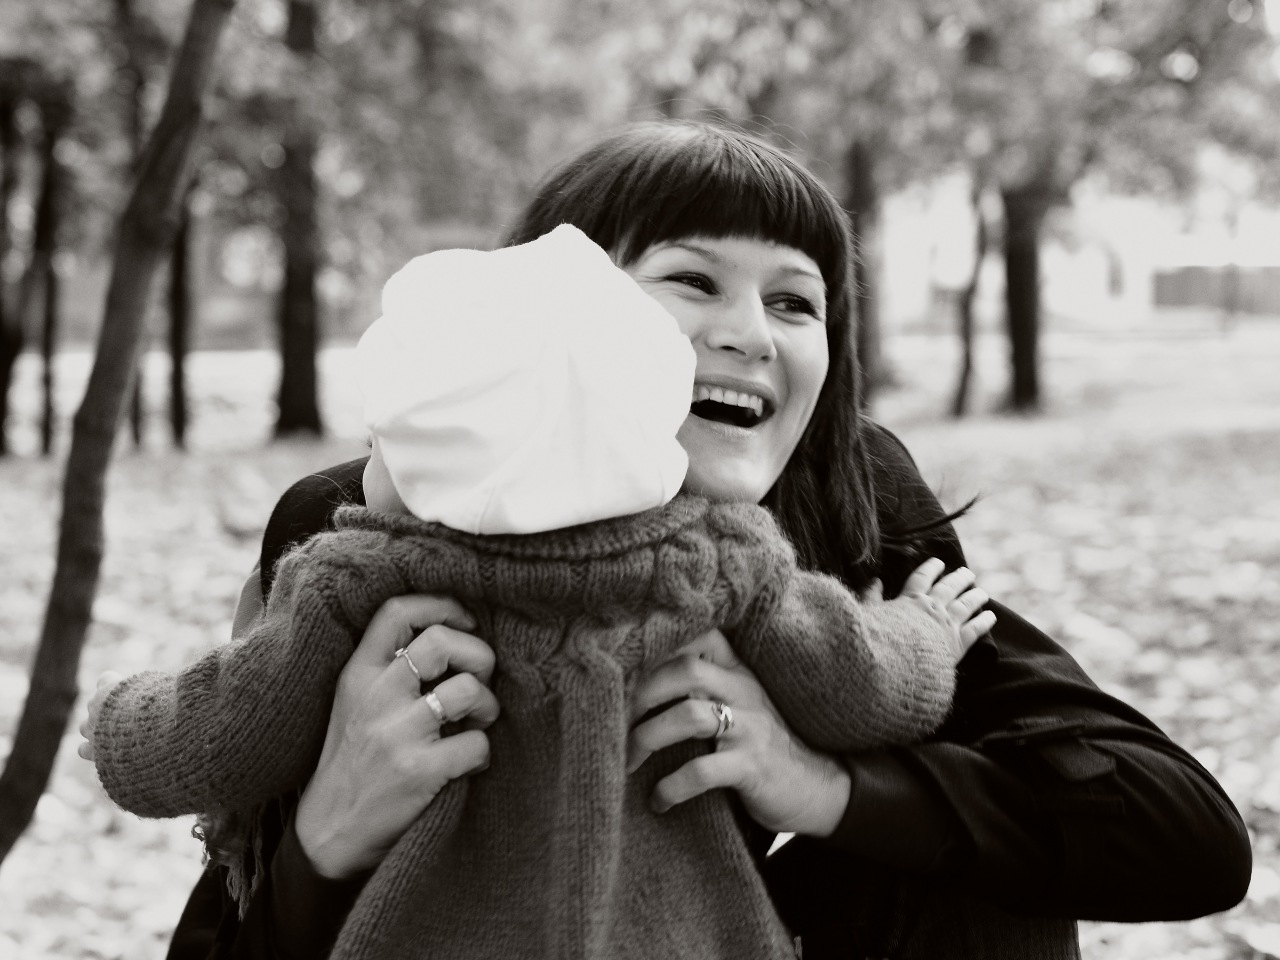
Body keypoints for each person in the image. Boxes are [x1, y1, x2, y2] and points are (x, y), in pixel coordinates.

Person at [108, 120, 1248, 959]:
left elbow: (1184, 835)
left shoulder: (841, 501)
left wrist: (819, 787)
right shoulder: (356, 526)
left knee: (990, 881)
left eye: (796, 302)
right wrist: (323, 839)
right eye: (692, 279)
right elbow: (218, 920)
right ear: (546, 317)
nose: (750, 334)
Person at [80, 224, 994, 960]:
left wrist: (122, 728)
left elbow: (228, 725)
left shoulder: (356, 576)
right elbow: (858, 680)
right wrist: (925, 630)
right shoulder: (717, 561)